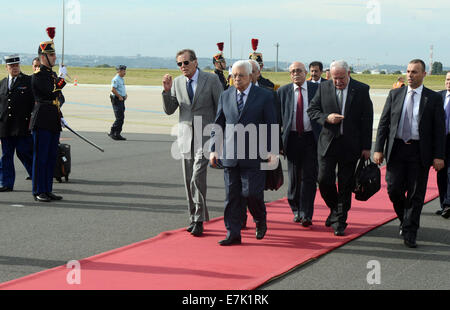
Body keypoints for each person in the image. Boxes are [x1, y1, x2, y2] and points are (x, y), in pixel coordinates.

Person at [374, 59, 445, 248]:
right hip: (397, 149)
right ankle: (406, 219)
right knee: (393, 189)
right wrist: (378, 149)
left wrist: (439, 155)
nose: (410, 75)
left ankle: (410, 232)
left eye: (414, 72)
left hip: (419, 151)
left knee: (416, 194)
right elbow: (384, 123)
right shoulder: (395, 94)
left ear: (424, 74)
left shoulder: (433, 98)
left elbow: (439, 130)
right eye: (408, 71)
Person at [210, 60, 277, 246]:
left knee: (252, 194)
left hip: (255, 155)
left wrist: (272, 150)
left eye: (241, 75)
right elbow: (219, 123)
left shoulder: (264, 96)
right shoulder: (225, 95)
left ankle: (259, 219)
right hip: (230, 154)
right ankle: (233, 233)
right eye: (233, 75)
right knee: (232, 196)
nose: (236, 79)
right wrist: (214, 149)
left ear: (250, 76)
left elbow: (271, 124)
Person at [307, 60, 373, 236]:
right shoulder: (324, 87)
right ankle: (335, 209)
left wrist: (367, 147)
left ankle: (340, 221)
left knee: (345, 184)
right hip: (327, 144)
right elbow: (312, 110)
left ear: (348, 73)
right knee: (324, 180)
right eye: (335, 79)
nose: (338, 82)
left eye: (341, 78)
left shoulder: (361, 89)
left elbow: (367, 120)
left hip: (350, 145)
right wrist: (327, 118)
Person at [162, 49, 223, 237]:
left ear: (195, 62)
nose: (182, 67)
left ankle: (199, 219)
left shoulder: (211, 80)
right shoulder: (178, 83)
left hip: (206, 133)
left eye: (185, 63)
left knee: (197, 174)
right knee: (188, 177)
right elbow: (170, 110)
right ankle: (193, 217)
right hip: (186, 135)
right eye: (179, 64)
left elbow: (221, 107)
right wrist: (166, 91)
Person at [278, 62, 320, 226]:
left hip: (311, 138)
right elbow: (278, 119)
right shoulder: (283, 92)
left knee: (309, 177)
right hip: (292, 139)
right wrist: (278, 143)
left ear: (305, 73)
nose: (295, 74)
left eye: (299, 71)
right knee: (294, 178)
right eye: (292, 71)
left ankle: (306, 213)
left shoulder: (316, 90)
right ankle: (296, 209)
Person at [30, 38, 66, 202]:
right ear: (43, 57)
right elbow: (50, 93)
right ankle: (38, 190)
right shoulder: (38, 76)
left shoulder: (51, 74)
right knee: (41, 157)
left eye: (54, 55)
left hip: (53, 117)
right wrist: (61, 80)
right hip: (42, 118)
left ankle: (48, 189)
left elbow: (58, 97)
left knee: (51, 157)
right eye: (51, 55)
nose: (54, 58)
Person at [0, 55, 34, 191]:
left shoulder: (28, 81)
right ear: (6, 67)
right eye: (11, 66)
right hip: (5, 127)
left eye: (16, 66)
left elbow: (33, 103)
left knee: (25, 154)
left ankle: (37, 179)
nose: (14, 68)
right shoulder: (2, 83)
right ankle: (6, 183)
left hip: (22, 126)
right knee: (6, 156)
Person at [437, 72, 450, 219]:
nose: (448, 82)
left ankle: (448, 203)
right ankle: (443, 205)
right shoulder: (438, 97)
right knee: (441, 172)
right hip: (440, 140)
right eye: (447, 79)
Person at [108, 65, 128, 141]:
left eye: (125, 70)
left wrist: (125, 95)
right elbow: (113, 89)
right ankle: (113, 132)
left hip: (121, 99)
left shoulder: (121, 79)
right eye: (123, 71)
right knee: (119, 117)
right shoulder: (116, 79)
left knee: (121, 117)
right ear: (119, 71)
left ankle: (117, 133)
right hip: (117, 99)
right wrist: (119, 96)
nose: (125, 72)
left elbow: (121, 88)